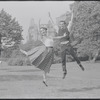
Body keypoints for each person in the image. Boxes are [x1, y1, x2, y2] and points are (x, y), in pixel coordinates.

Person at [48, 13, 85, 79]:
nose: (61, 25)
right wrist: (50, 16)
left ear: (65, 25)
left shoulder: (68, 28)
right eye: (60, 24)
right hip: (62, 46)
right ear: (59, 25)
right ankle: (64, 72)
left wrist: (73, 13)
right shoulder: (58, 29)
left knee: (74, 56)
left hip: (68, 45)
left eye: (63, 24)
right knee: (63, 59)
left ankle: (80, 64)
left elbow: (71, 21)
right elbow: (53, 24)